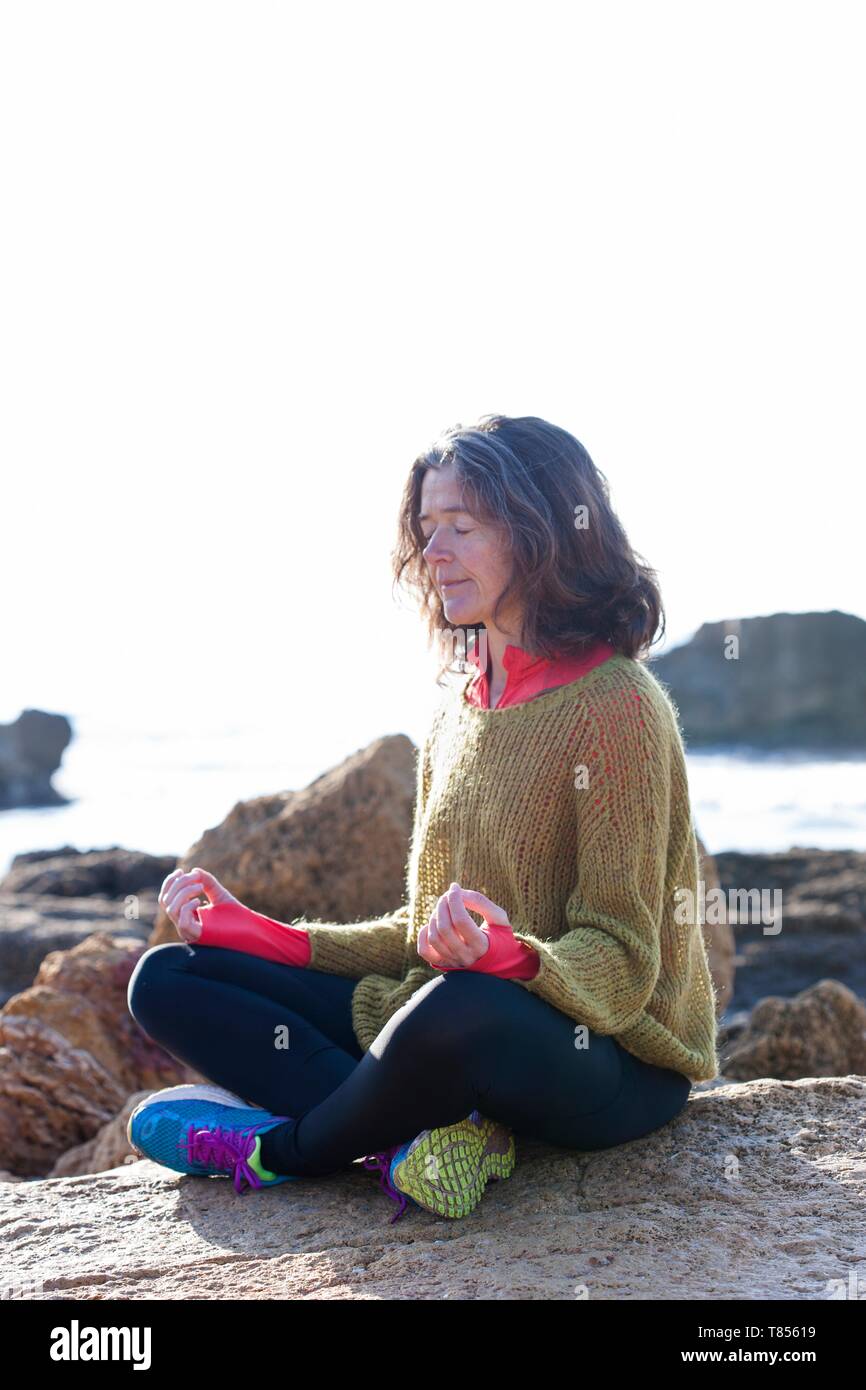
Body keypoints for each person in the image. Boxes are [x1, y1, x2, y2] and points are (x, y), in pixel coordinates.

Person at [126, 413, 720, 1223]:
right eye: (426, 528)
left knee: (464, 1003)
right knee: (169, 978)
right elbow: (420, 934)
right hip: (451, 1029)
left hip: (607, 1064)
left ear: (543, 533)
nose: (433, 554)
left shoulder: (617, 706)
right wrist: (254, 932)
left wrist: (509, 957)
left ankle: (281, 1152)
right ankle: (420, 1139)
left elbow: (621, 960)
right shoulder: (462, 704)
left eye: (462, 528)